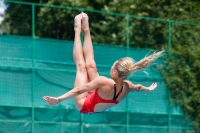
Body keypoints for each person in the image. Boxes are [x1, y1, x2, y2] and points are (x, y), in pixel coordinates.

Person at [43, 13, 164, 114]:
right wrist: (147, 88)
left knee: (81, 66)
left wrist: (59, 99)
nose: (111, 66)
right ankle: (86, 29)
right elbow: (138, 88)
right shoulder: (127, 86)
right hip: (99, 97)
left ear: (115, 71)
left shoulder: (103, 81)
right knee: (91, 65)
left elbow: (79, 90)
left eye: (113, 65)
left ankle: (77, 29)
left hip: (84, 105)